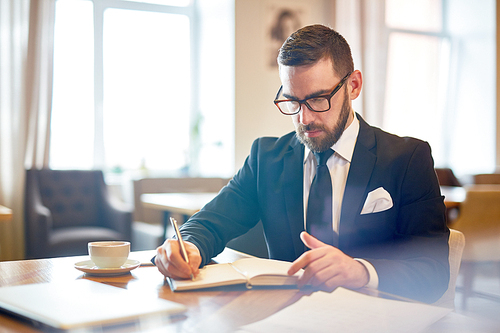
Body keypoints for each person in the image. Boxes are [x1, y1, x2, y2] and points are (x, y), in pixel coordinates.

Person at [155, 24, 450, 303]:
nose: (304, 119)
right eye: (292, 101)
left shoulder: (407, 159)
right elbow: (210, 223)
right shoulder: (266, 158)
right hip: (284, 317)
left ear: (354, 86)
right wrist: (187, 247)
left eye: (318, 99)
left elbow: (433, 271)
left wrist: (360, 271)